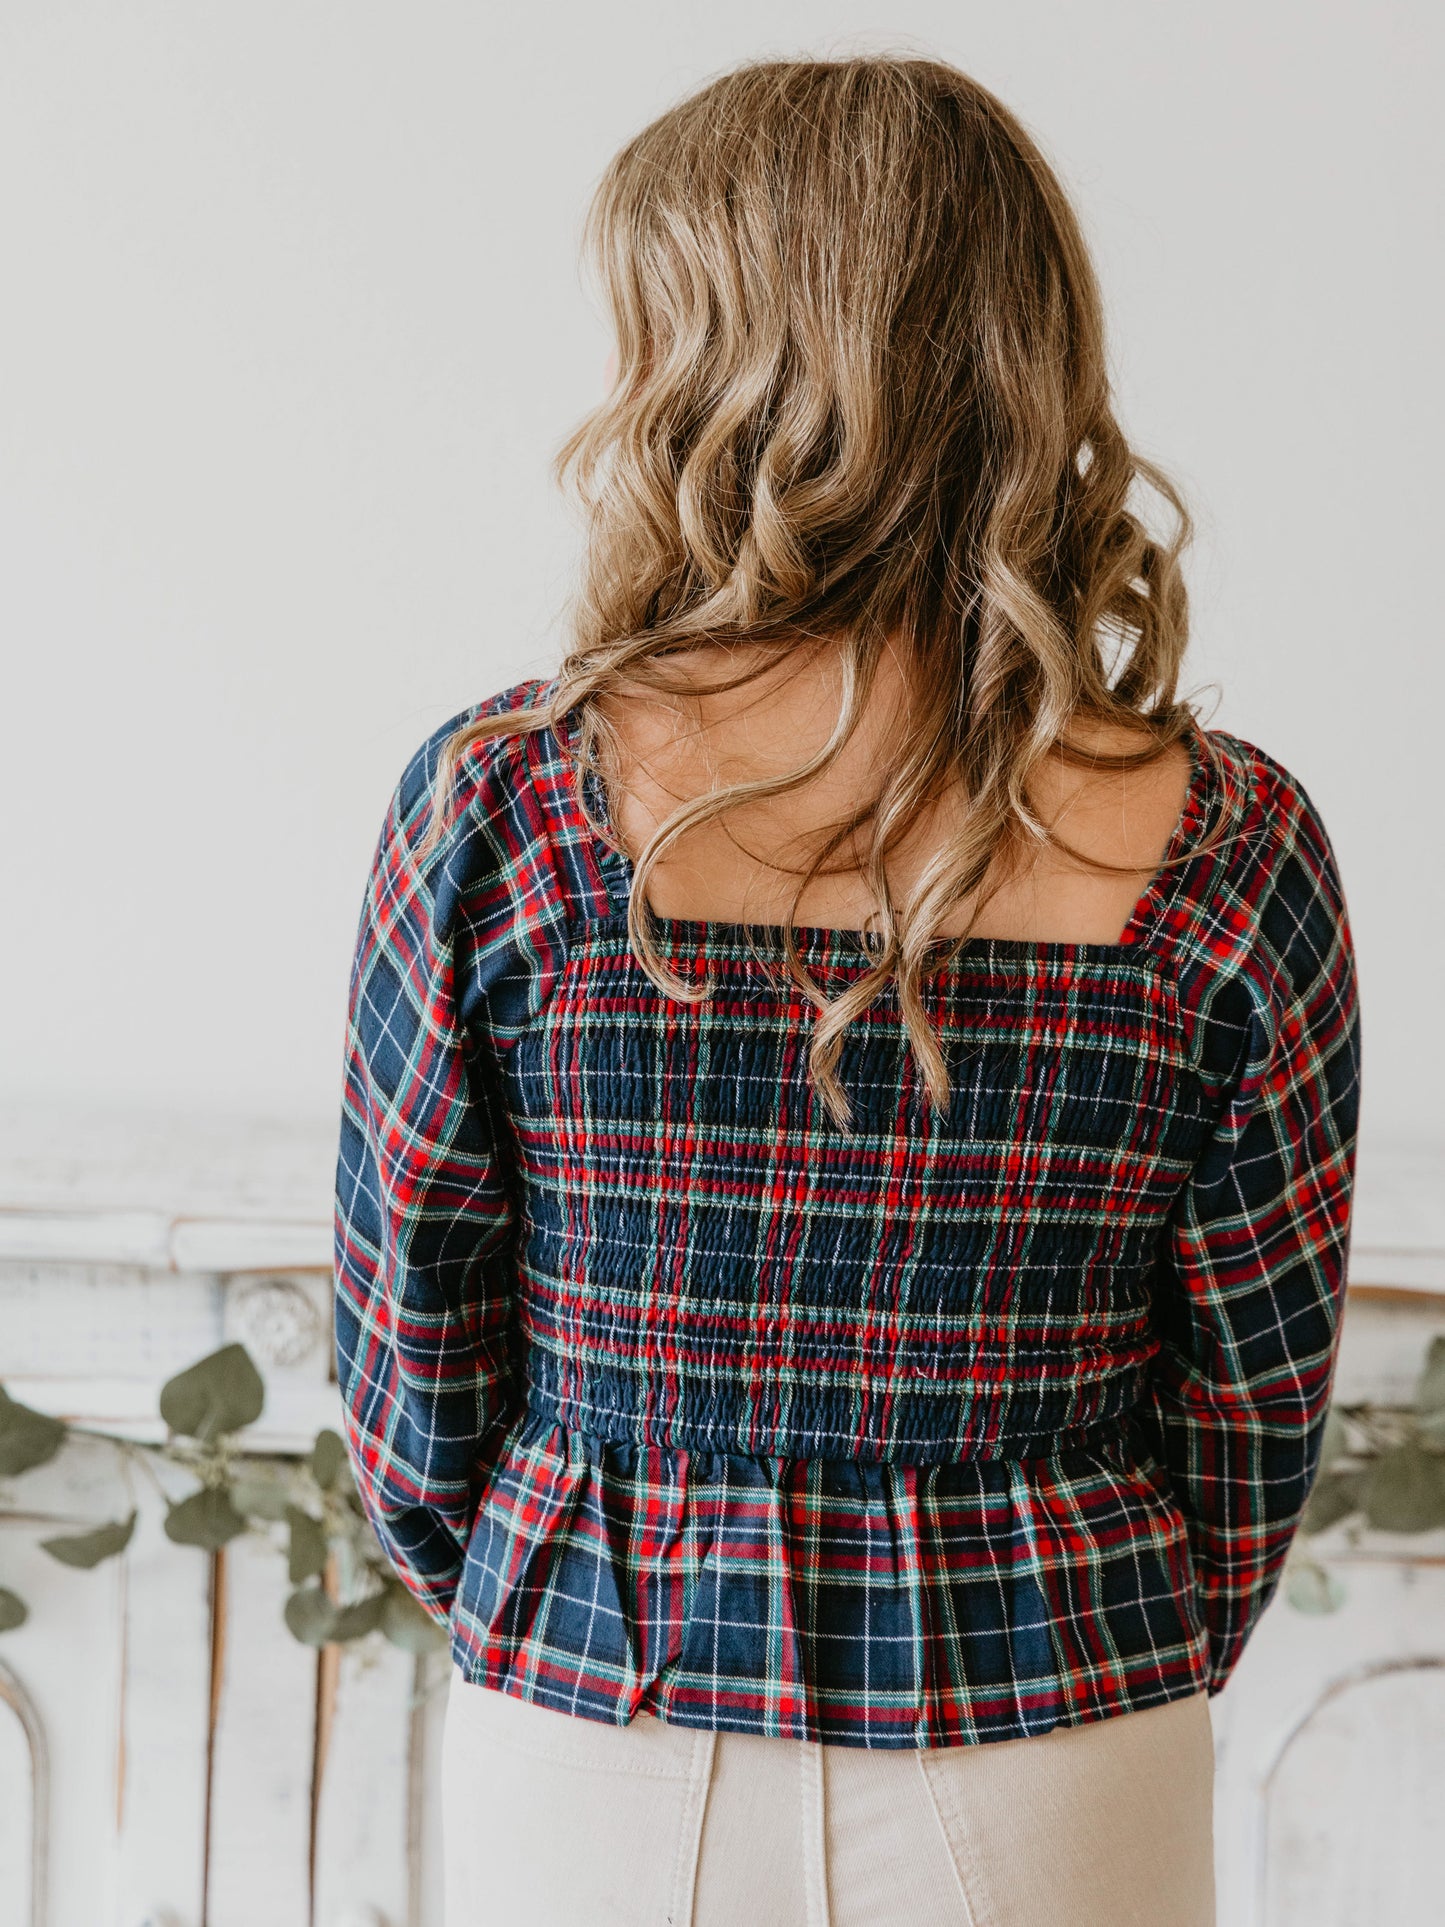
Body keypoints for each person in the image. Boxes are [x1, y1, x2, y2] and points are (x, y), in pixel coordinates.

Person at [332, 53, 1361, 1927]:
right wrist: (1077, 1624)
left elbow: (411, 1367)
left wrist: (577, 1556)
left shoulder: (506, 797)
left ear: (697, 357)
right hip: (1058, 1721)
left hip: (599, 1700)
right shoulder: (1229, 842)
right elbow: (1254, 1406)